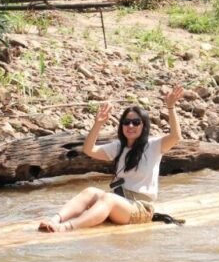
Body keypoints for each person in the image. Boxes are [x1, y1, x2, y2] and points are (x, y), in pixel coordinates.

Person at [37, 84, 184, 232]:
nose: (130, 126)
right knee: (90, 191)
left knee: (108, 198)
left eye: (136, 122)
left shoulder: (153, 145)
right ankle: (54, 220)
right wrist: (98, 124)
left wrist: (170, 107)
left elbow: (176, 136)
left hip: (141, 208)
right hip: (120, 201)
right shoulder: (119, 146)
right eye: (126, 122)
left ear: (144, 126)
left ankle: (65, 227)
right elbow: (89, 150)